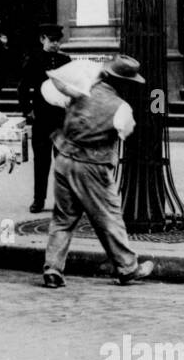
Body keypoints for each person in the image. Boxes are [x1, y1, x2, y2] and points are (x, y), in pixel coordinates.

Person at [40, 55, 156, 289]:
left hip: (64, 156)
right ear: (125, 83)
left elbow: (54, 96)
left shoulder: (83, 88)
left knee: (63, 218)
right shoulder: (120, 107)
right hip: (92, 165)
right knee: (108, 216)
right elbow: (126, 130)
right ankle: (127, 268)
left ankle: (53, 269)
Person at [19, 24, 70, 213]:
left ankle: (62, 202)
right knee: (41, 162)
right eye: (51, 40)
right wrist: (27, 110)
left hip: (60, 118)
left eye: (58, 41)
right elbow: (23, 87)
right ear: (42, 39)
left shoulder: (65, 60)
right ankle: (38, 200)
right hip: (41, 117)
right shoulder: (34, 59)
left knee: (62, 163)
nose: (55, 44)